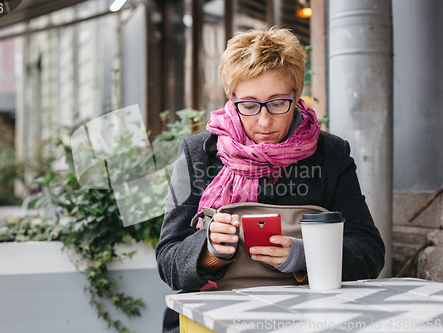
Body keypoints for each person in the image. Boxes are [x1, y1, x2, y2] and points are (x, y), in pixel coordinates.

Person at [155, 27, 385, 333]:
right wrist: (209, 251)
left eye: (278, 104)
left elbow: (370, 250)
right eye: (249, 106)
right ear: (232, 97)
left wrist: (307, 257)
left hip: (310, 318)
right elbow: (168, 257)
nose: (264, 121)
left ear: (296, 95)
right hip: (212, 317)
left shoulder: (331, 154)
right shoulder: (196, 154)